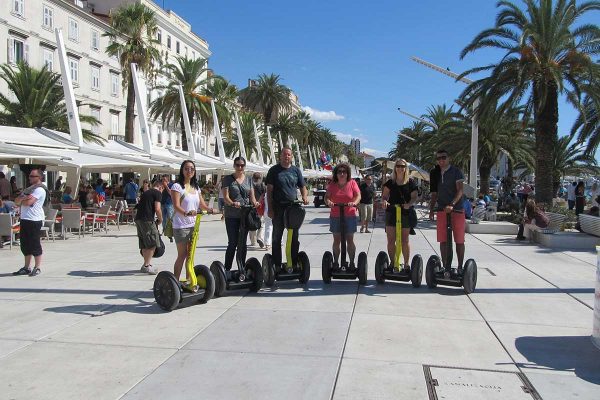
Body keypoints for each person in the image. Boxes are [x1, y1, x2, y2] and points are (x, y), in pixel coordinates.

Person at [171, 160, 213, 288]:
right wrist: (187, 213)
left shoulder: (196, 187)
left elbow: (202, 205)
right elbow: (176, 206)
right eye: (186, 169)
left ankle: (189, 280)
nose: (189, 171)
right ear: (182, 170)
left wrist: (211, 209)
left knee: (191, 254)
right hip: (181, 225)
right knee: (182, 255)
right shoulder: (177, 186)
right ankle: (175, 283)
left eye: (192, 169)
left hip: (194, 226)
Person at [266, 147, 309, 269]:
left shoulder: (296, 171)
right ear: (280, 156)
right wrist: (270, 209)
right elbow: (269, 191)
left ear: (292, 157)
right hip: (278, 207)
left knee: (294, 238)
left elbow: (303, 186)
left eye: (289, 155)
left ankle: (294, 263)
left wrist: (305, 196)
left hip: (293, 208)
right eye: (284, 154)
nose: (286, 156)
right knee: (277, 237)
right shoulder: (274, 170)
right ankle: (277, 265)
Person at [222, 157, 259, 270]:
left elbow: (252, 197)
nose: (240, 167)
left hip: (245, 215)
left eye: (242, 165)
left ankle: (241, 268)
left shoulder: (248, 180)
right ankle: (227, 269)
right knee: (233, 243)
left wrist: (256, 203)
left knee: (242, 244)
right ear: (234, 165)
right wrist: (233, 203)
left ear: (244, 166)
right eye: (237, 165)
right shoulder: (228, 179)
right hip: (232, 216)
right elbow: (225, 197)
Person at [381, 159, 418, 270]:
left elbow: (414, 196)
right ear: (395, 168)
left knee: (404, 240)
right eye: (398, 166)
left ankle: (406, 264)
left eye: (402, 166)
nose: (400, 168)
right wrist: (385, 201)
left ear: (405, 168)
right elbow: (385, 196)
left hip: (405, 213)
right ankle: (393, 262)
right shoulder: (390, 182)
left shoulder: (411, 182)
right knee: (391, 239)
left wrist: (409, 204)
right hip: (392, 212)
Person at [433, 150, 466, 271]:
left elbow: (460, 190)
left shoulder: (456, 172)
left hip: (456, 210)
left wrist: (452, 204)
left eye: (443, 157)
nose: (441, 160)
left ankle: (460, 267)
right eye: (438, 158)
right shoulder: (435, 173)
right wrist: (432, 209)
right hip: (442, 210)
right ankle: (445, 267)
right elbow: (434, 193)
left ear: (448, 158)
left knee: (459, 240)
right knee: (443, 240)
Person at [12, 169, 48, 277]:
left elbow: (28, 202)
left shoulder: (40, 189)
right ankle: (26, 267)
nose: (30, 177)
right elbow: (16, 201)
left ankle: (37, 267)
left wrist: (23, 200)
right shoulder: (29, 189)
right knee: (25, 244)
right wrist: (23, 199)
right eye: (30, 176)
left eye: (33, 176)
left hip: (34, 220)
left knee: (34, 244)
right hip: (25, 219)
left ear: (39, 178)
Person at [325, 162, 361, 268]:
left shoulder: (352, 183)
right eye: (339, 172)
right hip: (336, 215)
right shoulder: (332, 184)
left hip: (349, 214)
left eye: (344, 172)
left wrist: (354, 202)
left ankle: (352, 262)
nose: (342, 174)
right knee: (337, 240)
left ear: (347, 173)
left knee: (350, 239)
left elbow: (358, 195)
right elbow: (326, 197)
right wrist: (329, 202)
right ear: (336, 174)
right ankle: (336, 262)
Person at [135, 179, 164, 274]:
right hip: (148, 220)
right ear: (160, 187)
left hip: (139, 219)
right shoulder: (157, 193)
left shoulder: (146, 193)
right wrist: (160, 219)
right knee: (153, 242)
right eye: (162, 189)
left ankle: (146, 264)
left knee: (144, 242)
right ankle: (147, 265)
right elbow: (157, 208)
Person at [249, 172, 266, 248]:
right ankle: (259, 237)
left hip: (250, 206)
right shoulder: (262, 185)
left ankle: (253, 241)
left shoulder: (249, 185)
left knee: (251, 224)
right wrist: (258, 202)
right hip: (259, 206)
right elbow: (263, 195)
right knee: (261, 223)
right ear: (260, 178)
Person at [160, 175, 174, 239]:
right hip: (163, 203)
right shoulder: (161, 185)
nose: (163, 181)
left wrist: (166, 186)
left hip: (169, 203)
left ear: (167, 180)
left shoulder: (171, 185)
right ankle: (164, 230)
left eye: (164, 180)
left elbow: (171, 193)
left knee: (170, 217)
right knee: (163, 218)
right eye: (162, 180)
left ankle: (172, 230)